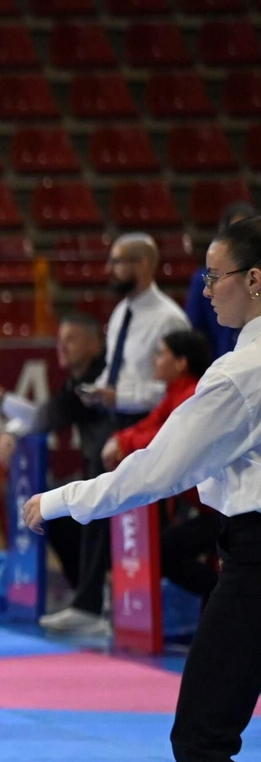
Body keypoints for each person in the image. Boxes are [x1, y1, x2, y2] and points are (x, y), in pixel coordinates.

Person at [22, 216, 261, 762]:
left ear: (256, 280)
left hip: (257, 558)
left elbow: (158, 470)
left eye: (215, 275)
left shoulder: (239, 374)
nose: (205, 291)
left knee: (202, 732)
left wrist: (61, 499)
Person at [0, 315, 114, 633]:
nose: (62, 347)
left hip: (117, 478)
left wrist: (11, 429)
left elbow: (40, 418)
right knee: (57, 513)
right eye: (59, 339)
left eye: (71, 339)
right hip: (100, 477)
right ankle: (89, 599)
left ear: (96, 344)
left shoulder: (97, 382)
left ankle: (93, 603)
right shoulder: (75, 382)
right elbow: (40, 415)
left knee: (63, 510)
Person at [101, 330, 220, 600]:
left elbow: (163, 438)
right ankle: (221, 598)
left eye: (161, 354)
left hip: (225, 511)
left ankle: (225, 598)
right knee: (163, 548)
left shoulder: (193, 394)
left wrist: (123, 442)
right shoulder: (174, 393)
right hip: (208, 509)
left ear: (181, 363)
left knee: (162, 550)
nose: (154, 360)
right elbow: (148, 426)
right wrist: (120, 439)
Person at [93, 233, 190, 418]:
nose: (108, 269)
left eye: (116, 262)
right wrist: (98, 389)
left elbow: (176, 387)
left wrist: (121, 398)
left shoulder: (169, 319)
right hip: (114, 418)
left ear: (142, 264)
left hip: (152, 422)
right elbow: (115, 367)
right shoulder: (120, 312)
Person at [187, 203, 257, 358]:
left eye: (247, 232)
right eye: (235, 232)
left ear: (254, 280)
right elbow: (196, 334)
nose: (207, 291)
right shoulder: (200, 281)